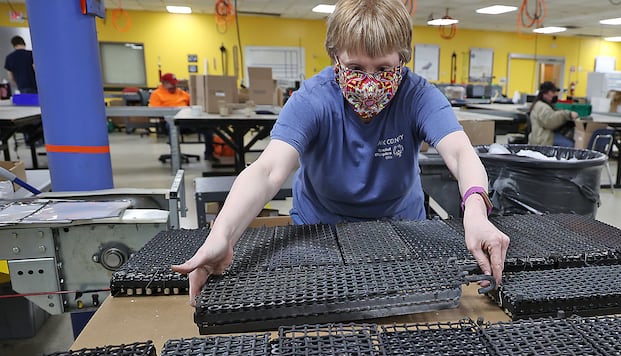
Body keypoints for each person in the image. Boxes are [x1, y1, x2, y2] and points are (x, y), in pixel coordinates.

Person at [172, 0, 510, 305]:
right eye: (356, 68)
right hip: (319, 231)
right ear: (335, 58)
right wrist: (222, 235)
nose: (370, 83)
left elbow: (461, 153)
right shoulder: (313, 98)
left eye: (383, 68)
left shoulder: (418, 95)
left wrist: (476, 212)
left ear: (403, 58)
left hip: (400, 228)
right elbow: (268, 170)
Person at [149, 73, 215, 160]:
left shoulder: (180, 92)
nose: (174, 86)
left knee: (208, 128)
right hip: (170, 121)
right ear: (164, 83)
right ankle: (175, 157)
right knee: (171, 126)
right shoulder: (157, 94)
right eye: (172, 84)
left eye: (175, 83)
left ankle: (209, 154)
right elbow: (155, 112)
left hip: (187, 120)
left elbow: (193, 102)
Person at [528, 81, 578, 148]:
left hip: (542, 136)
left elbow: (551, 114)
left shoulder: (542, 105)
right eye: (553, 93)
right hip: (542, 140)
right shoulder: (542, 106)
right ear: (545, 93)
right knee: (570, 144)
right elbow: (550, 121)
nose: (555, 95)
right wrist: (568, 114)